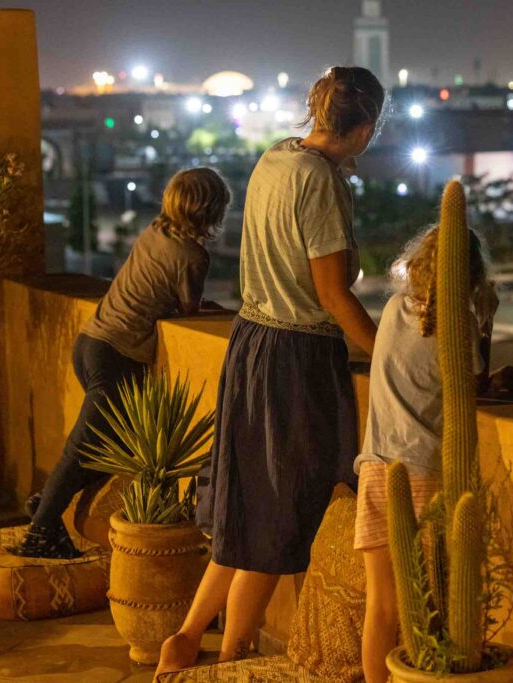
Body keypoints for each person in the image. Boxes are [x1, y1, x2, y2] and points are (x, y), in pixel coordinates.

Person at [156, 66, 385, 675]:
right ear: (363, 128)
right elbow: (334, 294)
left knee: (250, 512)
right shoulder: (319, 183)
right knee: (276, 523)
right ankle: (231, 659)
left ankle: (184, 638)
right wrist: (388, 357)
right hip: (295, 359)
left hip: (251, 343)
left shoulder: (274, 159)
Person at [9, 168, 230, 558]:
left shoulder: (153, 233)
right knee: (81, 449)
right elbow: (188, 308)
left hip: (91, 342)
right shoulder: (193, 256)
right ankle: (39, 533)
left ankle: (46, 504)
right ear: (210, 210)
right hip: (118, 356)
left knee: (112, 448)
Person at [355, 226, 513, 683]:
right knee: (436, 605)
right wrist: (486, 323)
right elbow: (467, 382)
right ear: (468, 274)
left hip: (376, 468)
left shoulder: (393, 309)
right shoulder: (459, 323)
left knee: (383, 603)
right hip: (425, 471)